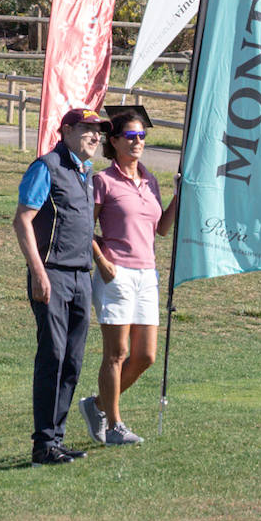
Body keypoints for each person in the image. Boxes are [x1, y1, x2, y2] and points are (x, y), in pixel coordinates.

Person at [11, 107, 106, 466]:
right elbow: (23, 220)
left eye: (98, 131)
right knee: (53, 356)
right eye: (87, 129)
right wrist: (38, 272)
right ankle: (43, 445)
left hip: (81, 276)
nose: (95, 136)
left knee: (72, 361)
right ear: (66, 131)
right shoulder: (47, 167)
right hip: (53, 274)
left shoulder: (86, 172)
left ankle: (57, 439)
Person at [77, 106, 176, 448]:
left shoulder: (150, 180)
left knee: (145, 356)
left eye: (142, 136)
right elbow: (83, 226)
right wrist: (102, 262)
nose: (138, 142)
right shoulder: (103, 181)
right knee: (116, 353)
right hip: (115, 273)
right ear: (115, 141)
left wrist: (180, 197)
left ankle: (98, 405)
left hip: (147, 274)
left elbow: (161, 229)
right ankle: (114, 426)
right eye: (131, 136)